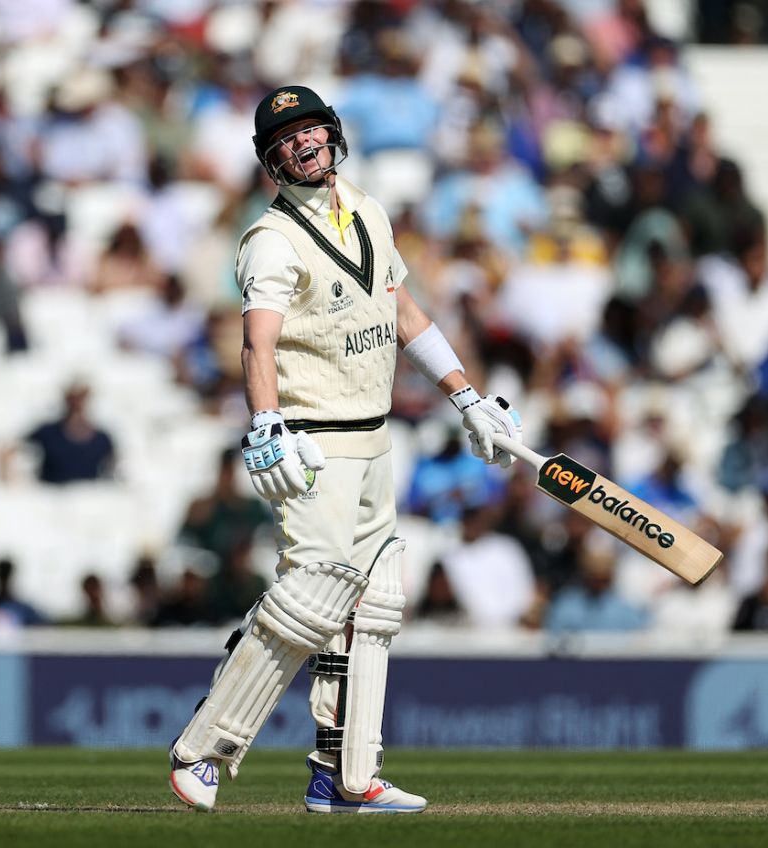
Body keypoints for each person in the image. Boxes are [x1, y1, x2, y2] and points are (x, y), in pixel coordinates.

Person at [167, 86, 523, 815]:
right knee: (312, 595)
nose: (303, 144)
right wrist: (267, 424)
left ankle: (344, 774)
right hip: (314, 443)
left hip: (376, 438)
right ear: (271, 159)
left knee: (372, 605)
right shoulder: (271, 239)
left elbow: (403, 312)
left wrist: (465, 396)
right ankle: (203, 746)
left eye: (311, 129)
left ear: (332, 133)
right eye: (287, 138)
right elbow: (257, 342)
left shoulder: (368, 210)